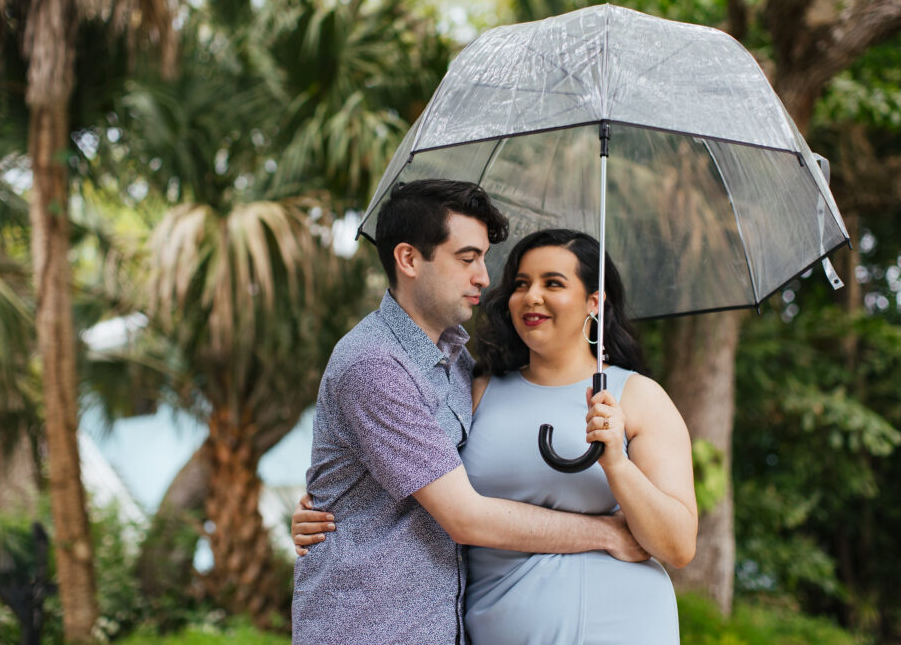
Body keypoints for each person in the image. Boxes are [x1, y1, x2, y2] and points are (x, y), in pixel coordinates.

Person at [295, 225, 698, 644]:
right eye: (521, 283)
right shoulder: (474, 386)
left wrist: (616, 461)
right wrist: (329, 506)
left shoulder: (638, 397)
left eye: (553, 283)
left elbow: (677, 545)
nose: (531, 296)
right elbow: (416, 473)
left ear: (593, 301)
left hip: (616, 624)